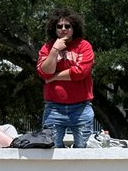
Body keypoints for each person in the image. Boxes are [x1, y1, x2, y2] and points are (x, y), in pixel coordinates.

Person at [37, 8, 94, 148]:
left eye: (67, 26)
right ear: (54, 28)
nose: (63, 29)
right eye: (59, 26)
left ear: (74, 28)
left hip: (81, 108)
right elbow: (45, 73)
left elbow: (79, 72)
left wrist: (54, 77)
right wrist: (55, 50)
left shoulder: (84, 46)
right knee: (52, 150)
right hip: (54, 109)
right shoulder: (47, 47)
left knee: (83, 151)